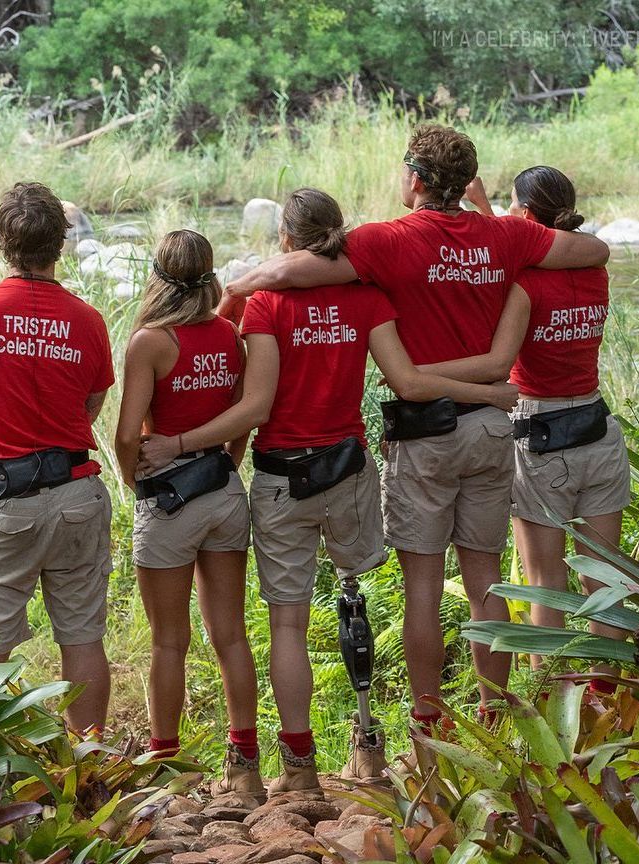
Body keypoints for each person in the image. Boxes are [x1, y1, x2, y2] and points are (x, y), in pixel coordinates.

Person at [219, 125, 611, 731]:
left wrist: (239, 286)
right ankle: (496, 719)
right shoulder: (506, 234)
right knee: (485, 578)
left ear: (417, 179)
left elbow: (296, 270)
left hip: (425, 436)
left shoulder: (387, 241)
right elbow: (593, 251)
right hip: (489, 429)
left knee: (424, 587)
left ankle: (429, 726)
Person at [137, 188, 519, 792]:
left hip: (283, 476)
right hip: (349, 473)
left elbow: (246, 391)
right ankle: (369, 743)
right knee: (353, 593)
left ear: (285, 241)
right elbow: (406, 380)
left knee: (288, 625)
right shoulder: (368, 299)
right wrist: (494, 390)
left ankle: (299, 768)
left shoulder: (265, 306)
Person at [0, 182, 114, 734]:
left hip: (4, 498)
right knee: (82, 635)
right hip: (76, 493)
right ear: (61, 245)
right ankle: (90, 765)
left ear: (2, 241)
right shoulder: (87, 321)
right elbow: (91, 404)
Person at [455, 168, 630, 685]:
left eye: (514, 210)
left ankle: (550, 699)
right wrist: (488, 206)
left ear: (526, 217)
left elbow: (498, 358)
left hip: (541, 433)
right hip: (598, 427)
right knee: (605, 581)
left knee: (545, 581)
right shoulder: (595, 267)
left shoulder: (525, 286)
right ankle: (608, 701)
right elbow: (530, 246)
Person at [114, 230, 263, 796]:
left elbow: (129, 432)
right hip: (224, 489)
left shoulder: (150, 341)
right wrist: (226, 461)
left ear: (157, 275)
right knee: (230, 635)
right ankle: (244, 761)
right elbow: (241, 417)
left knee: (168, 640)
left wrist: (135, 481)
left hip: (170, 497)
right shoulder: (229, 333)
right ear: (210, 275)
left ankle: (163, 765)